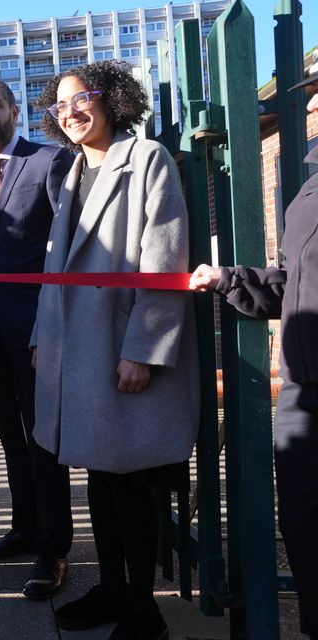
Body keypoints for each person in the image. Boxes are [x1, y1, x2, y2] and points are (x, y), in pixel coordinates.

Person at [31, 60, 198, 640]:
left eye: (84, 98)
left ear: (113, 100)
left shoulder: (146, 158)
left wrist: (145, 349)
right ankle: (109, 589)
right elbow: (59, 263)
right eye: (60, 104)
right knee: (99, 477)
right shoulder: (72, 171)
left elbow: (164, 256)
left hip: (120, 344)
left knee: (132, 481)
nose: (72, 111)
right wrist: (39, 339)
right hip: (74, 347)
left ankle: (143, 609)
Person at [189, 55, 318, 640]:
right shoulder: (312, 183)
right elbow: (296, 282)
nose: (315, 105)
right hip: (305, 391)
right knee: (305, 526)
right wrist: (229, 279)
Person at [0, 77, 74, 600]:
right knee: (11, 439)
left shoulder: (49, 162)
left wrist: (50, 326)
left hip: (36, 335)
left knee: (43, 442)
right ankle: (24, 527)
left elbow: (65, 250)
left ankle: (54, 550)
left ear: (14, 110)